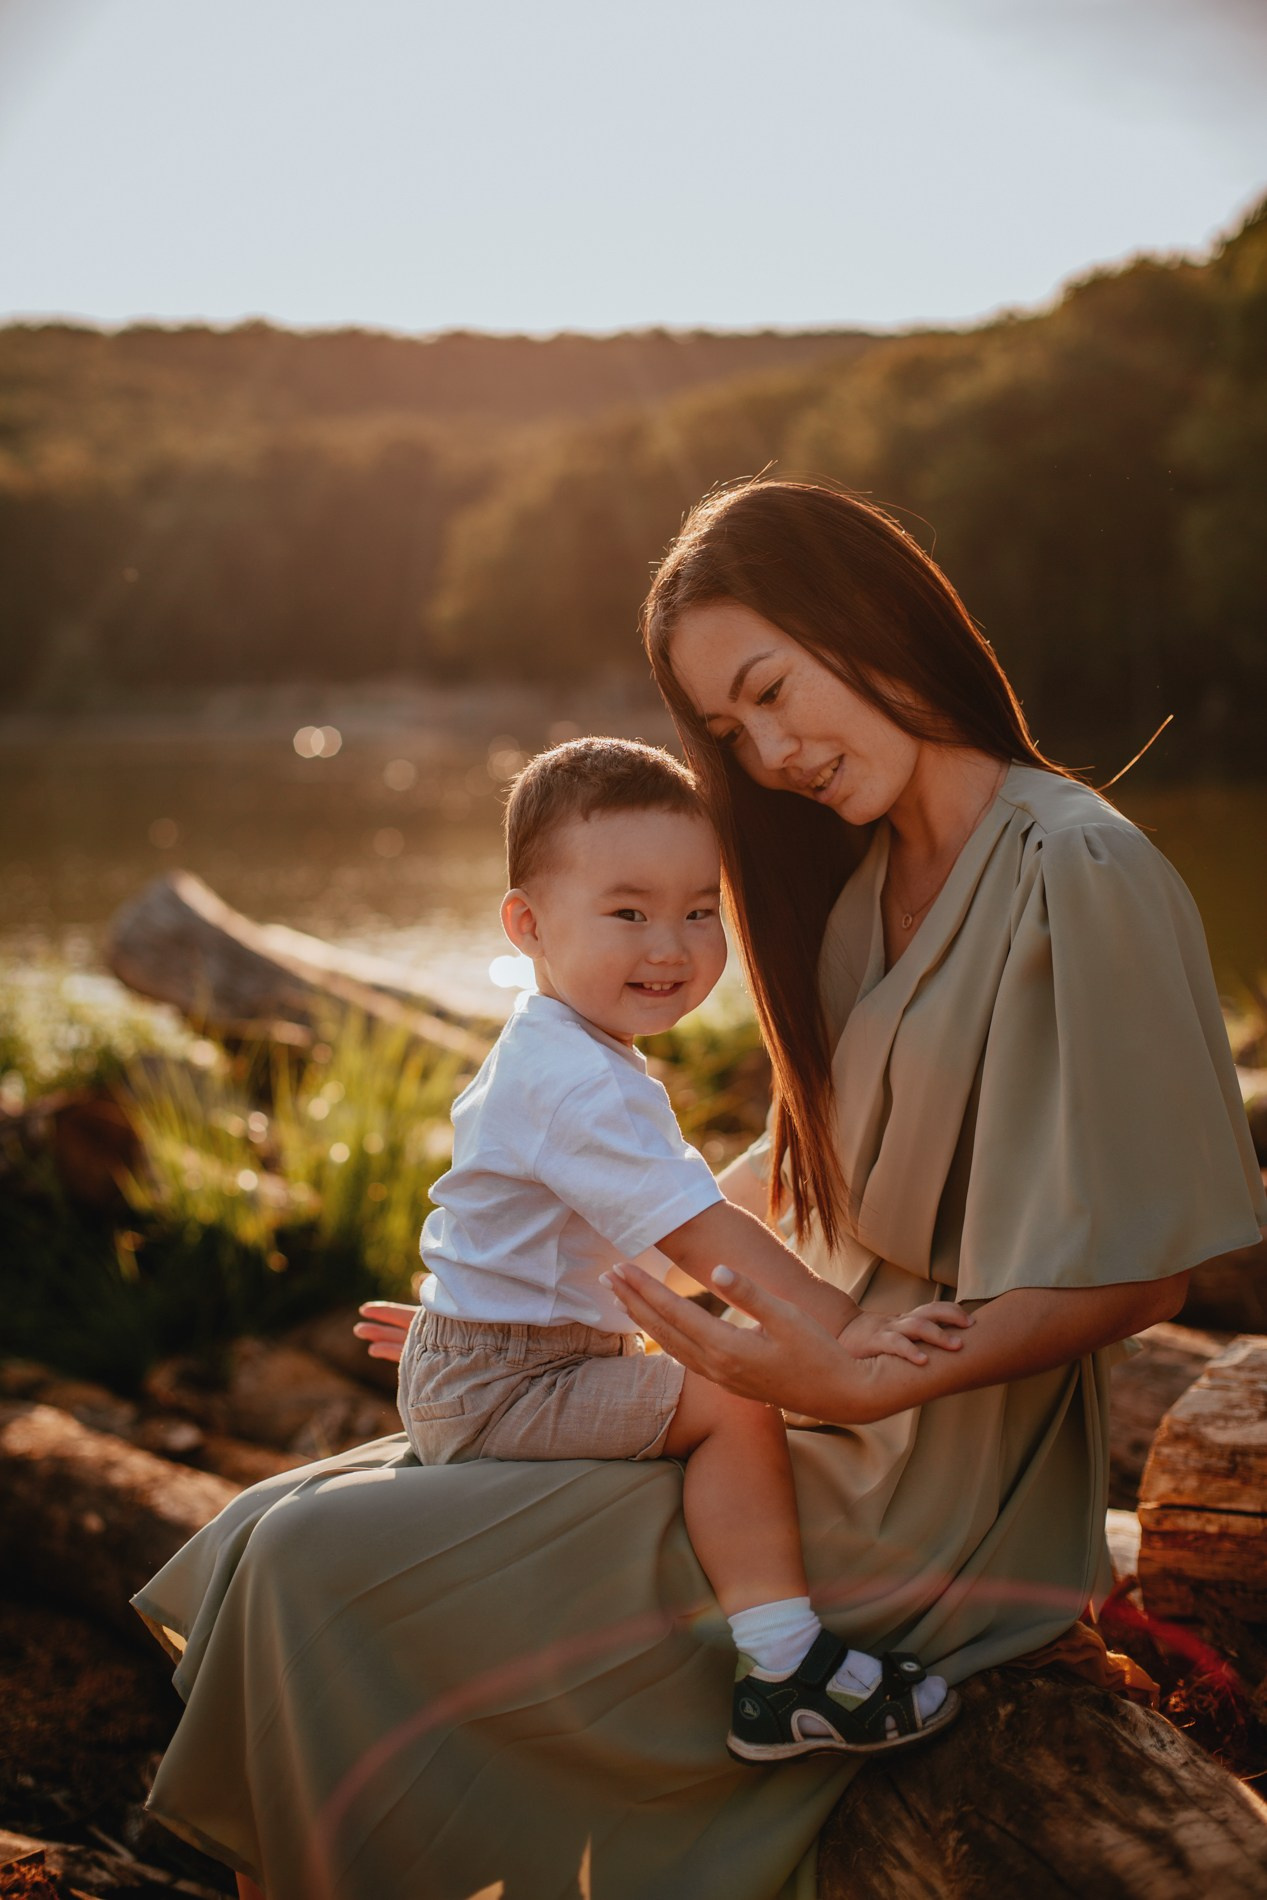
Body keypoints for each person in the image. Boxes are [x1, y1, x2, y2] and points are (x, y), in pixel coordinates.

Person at [132, 480, 1267, 1900]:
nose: (771, 752)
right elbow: (798, 1172)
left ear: (869, 615)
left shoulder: (1077, 867)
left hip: (927, 1464)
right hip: (797, 1385)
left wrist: (863, 1384)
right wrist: (527, 1290)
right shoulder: (861, 885)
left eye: (772, 690)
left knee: (322, 1566)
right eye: (730, 731)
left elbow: (1143, 1277)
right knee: (277, 1528)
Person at [397, 734, 964, 1762]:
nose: (672, 946)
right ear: (526, 923)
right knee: (734, 1397)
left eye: (699, 910)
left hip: (497, 1352)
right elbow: (704, 1239)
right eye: (628, 912)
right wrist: (848, 1329)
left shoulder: (559, 1046)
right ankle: (782, 1666)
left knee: (704, 1355)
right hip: (509, 1377)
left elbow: (535, 1234)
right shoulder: (577, 1079)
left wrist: (452, 1323)